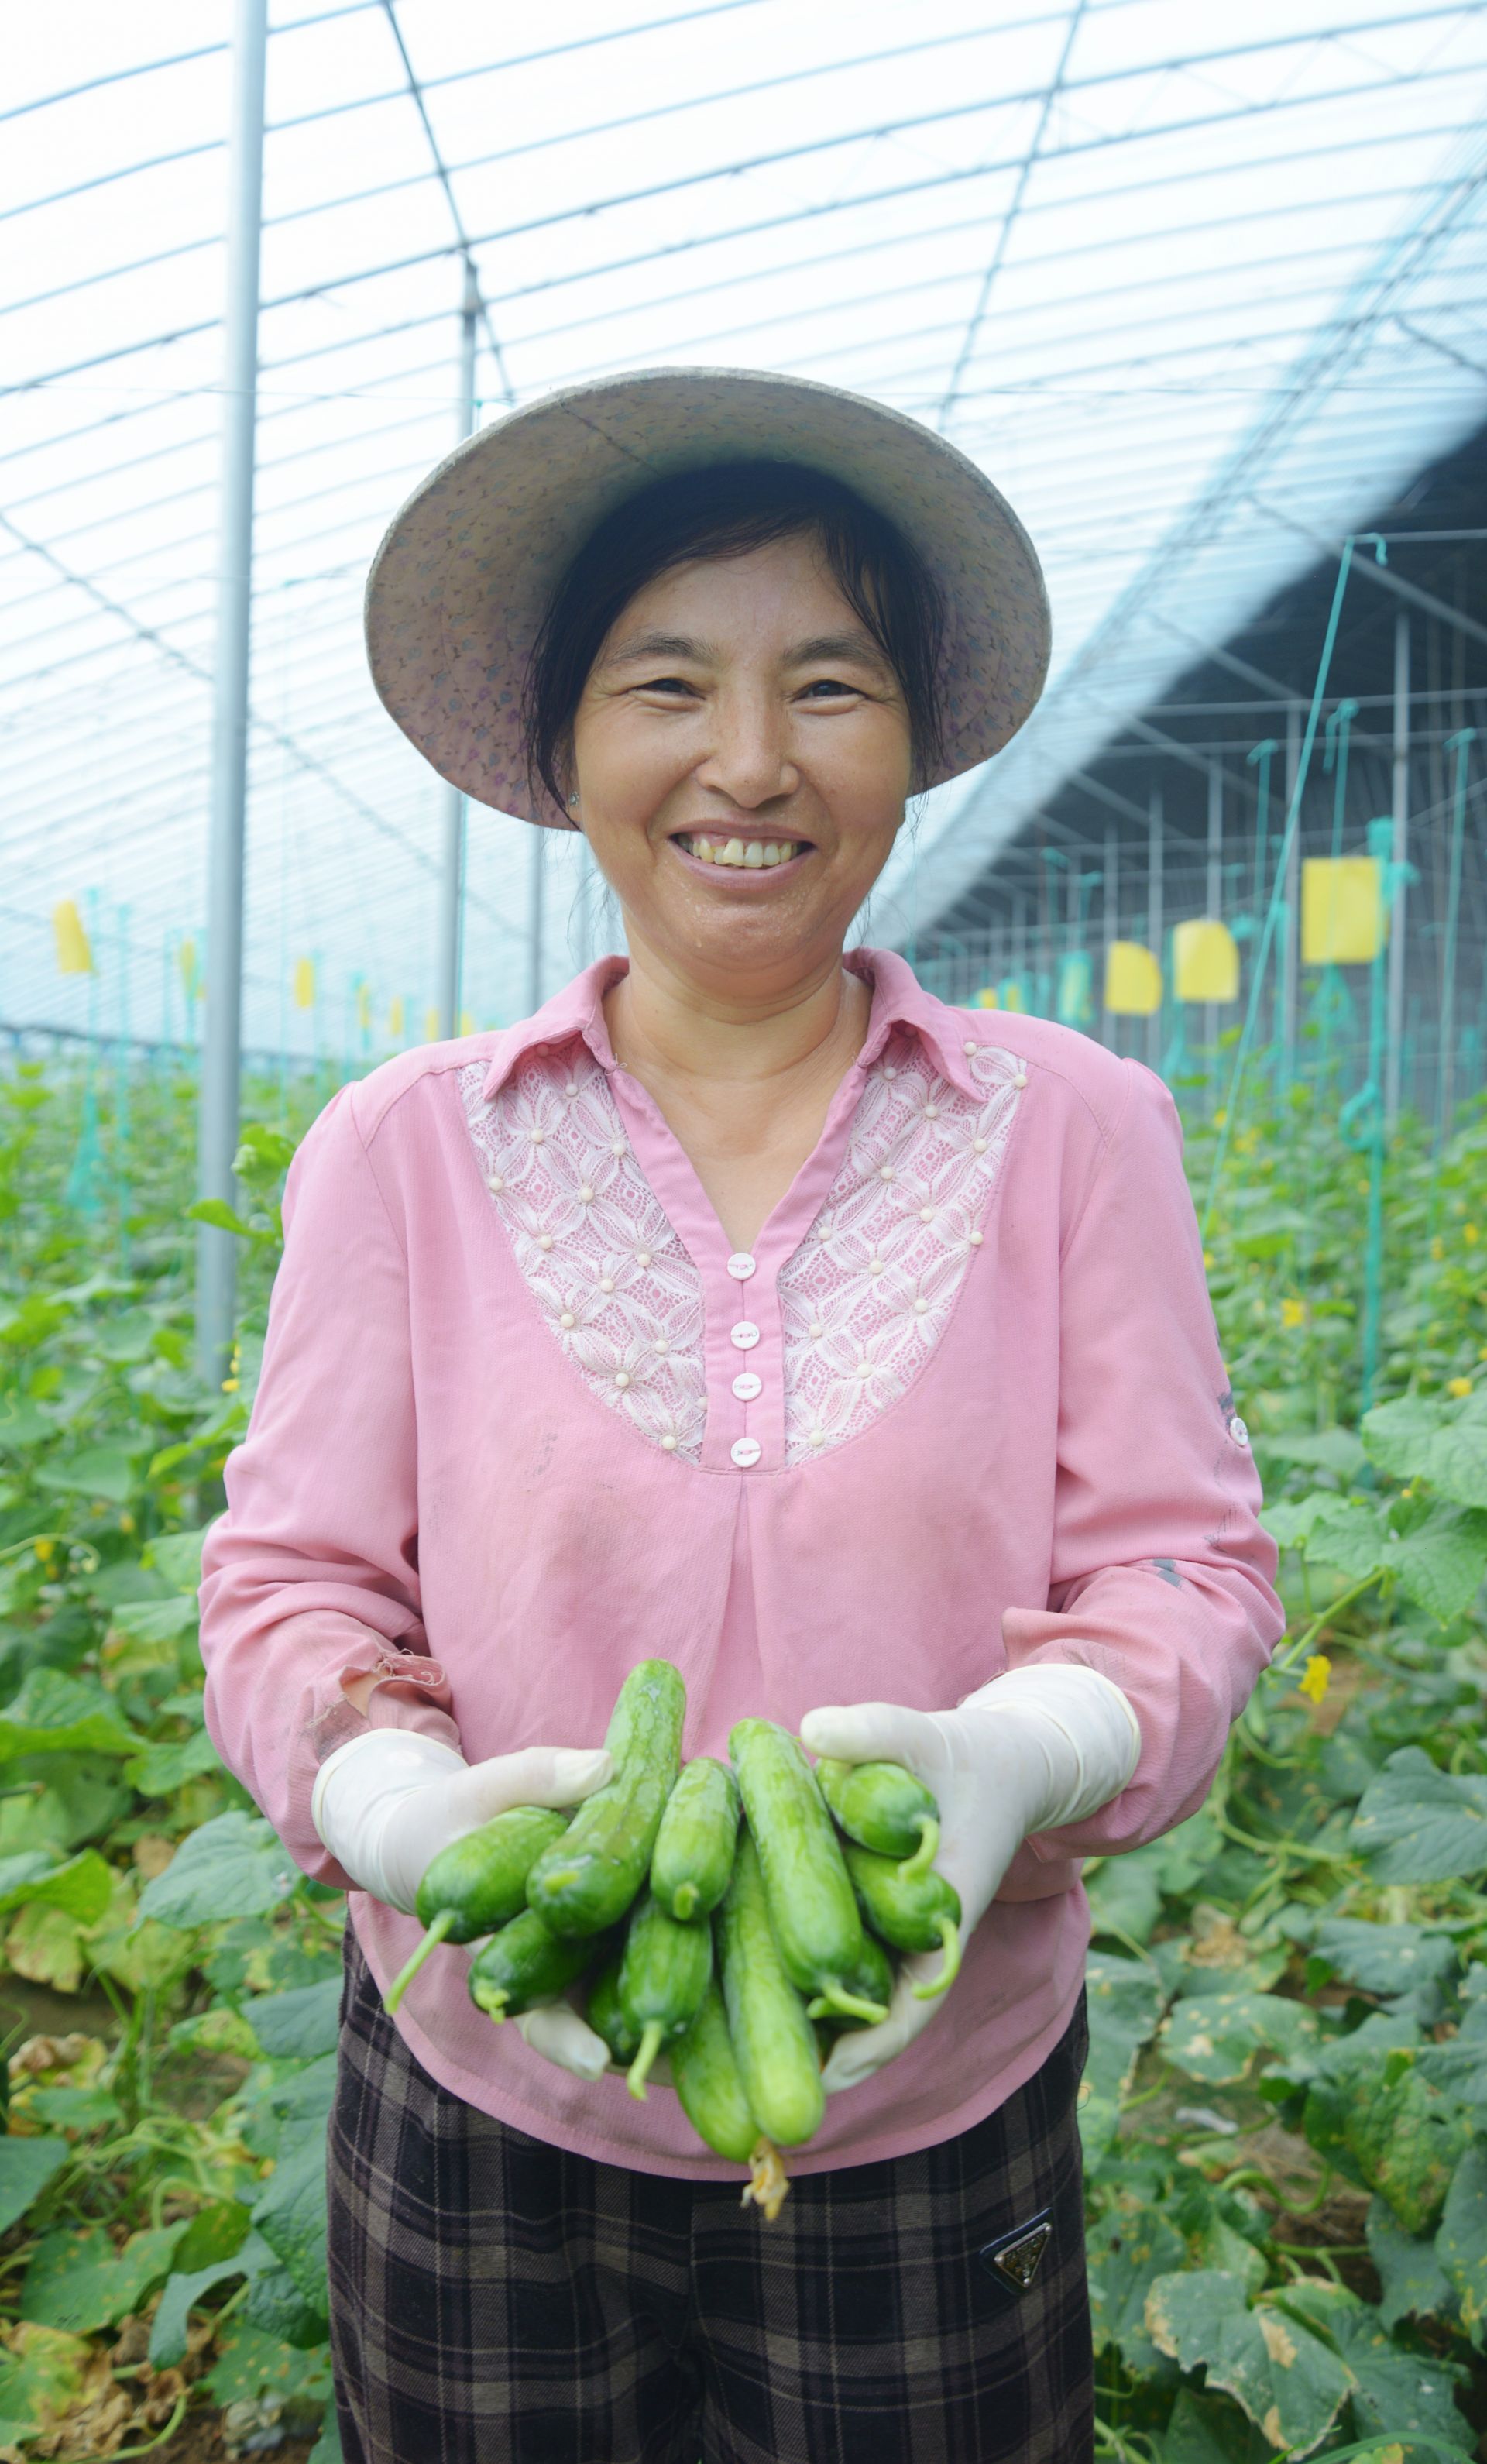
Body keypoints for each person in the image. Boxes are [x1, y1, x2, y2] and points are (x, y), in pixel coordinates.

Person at [200, 367, 1283, 2464]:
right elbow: (289, 1585)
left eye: (833, 686)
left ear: (912, 745)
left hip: (926, 2085)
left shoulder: (1079, 1130)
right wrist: (389, 1796)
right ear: (568, 746)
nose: (754, 761)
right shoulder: (401, 1146)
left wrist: (1035, 1748)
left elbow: (1187, 1567)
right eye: (669, 683)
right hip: (485, 2077)